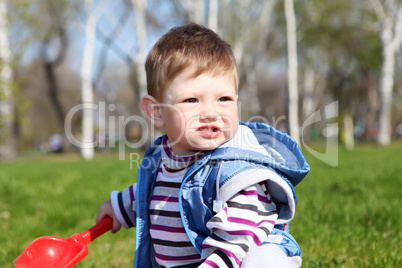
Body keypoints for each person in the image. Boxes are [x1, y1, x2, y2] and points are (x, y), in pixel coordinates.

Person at [96, 23, 310, 268]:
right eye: (191, 100)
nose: (210, 112)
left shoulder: (238, 175)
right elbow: (147, 193)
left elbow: (235, 243)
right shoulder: (161, 161)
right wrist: (117, 207)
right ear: (156, 112)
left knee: (262, 260)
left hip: (235, 256)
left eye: (224, 99)